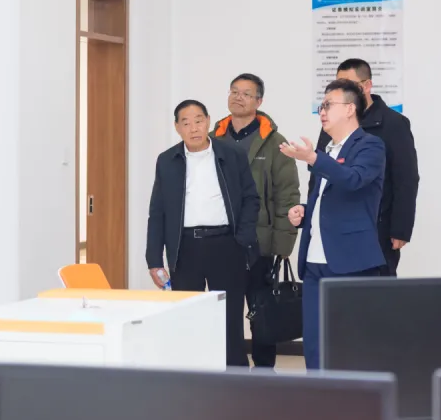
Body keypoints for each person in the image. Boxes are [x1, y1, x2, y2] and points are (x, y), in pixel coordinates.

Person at [281, 79, 387, 370]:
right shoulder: (326, 150)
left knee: (352, 342)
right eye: (321, 106)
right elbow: (326, 198)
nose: (322, 112)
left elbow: (353, 180)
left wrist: (313, 158)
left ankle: (355, 396)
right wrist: (304, 212)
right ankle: (318, 393)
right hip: (314, 261)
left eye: (328, 105)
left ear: (350, 109)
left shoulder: (370, 145)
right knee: (314, 342)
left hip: (351, 261)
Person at [146, 99, 261, 367]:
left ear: (208, 121)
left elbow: (251, 198)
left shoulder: (232, 154)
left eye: (199, 121)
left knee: (229, 318)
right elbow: (158, 212)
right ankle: (193, 376)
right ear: (177, 127)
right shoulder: (167, 160)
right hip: (185, 248)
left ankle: (235, 376)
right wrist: (154, 259)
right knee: (188, 318)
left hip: (226, 245)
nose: (194, 128)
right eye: (186, 123)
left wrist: (242, 239)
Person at [211, 73, 300, 368]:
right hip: (221, 241)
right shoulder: (213, 139)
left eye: (246, 94)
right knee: (225, 310)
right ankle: (231, 368)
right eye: (234, 91)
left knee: (261, 310)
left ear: (259, 101)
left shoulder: (274, 143)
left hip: (259, 241)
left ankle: (264, 371)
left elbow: (287, 194)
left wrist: (283, 244)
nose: (238, 98)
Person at [309, 58, 419, 276]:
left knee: (375, 287)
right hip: (336, 224)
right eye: (339, 83)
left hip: (378, 221)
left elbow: (406, 178)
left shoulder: (393, 123)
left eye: (349, 84)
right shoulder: (332, 124)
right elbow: (320, 173)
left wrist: (401, 228)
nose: (344, 89)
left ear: (367, 86)